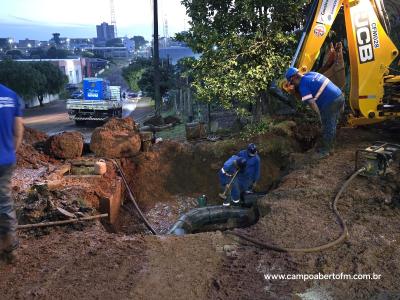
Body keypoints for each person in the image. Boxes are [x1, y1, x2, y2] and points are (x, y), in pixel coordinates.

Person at [285, 67, 344, 158]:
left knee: (327, 126)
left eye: (292, 83)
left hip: (330, 102)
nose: (293, 85)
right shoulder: (311, 74)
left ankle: (325, 151)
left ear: (293, 78)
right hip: (339, 95)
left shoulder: (303, 86)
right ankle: (330, 146)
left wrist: (319, 116)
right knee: (331, 124)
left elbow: (312, 103)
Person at [0, 84, 24, 263]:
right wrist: (9, 151)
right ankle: (11, 250)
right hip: (6, 160)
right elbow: (18, 131)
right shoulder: (10, 95)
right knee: (5, 204)